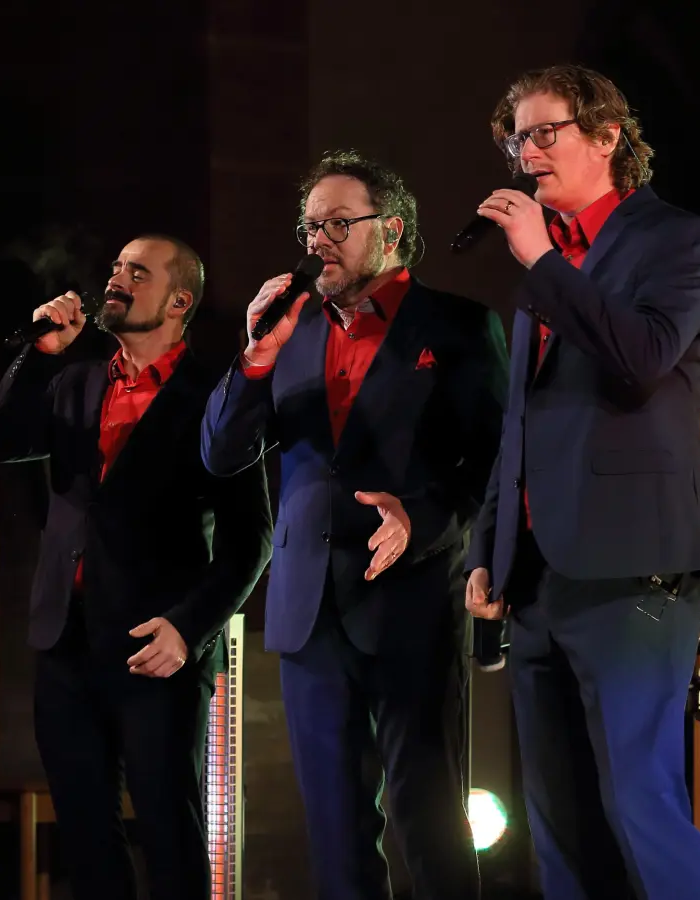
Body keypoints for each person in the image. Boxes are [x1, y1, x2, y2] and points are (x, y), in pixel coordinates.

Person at [201, 151, 506, 899]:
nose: (319, 241)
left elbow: (498, 462)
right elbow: (220, 453)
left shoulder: (460, 327)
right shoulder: (288, 333)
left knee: (427, 815)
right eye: (310, 227)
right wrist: (253, 362)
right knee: (335, 830)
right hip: (309, 611)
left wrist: (425, 516)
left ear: (391, 229)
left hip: (413, 605)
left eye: (339, 223)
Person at [464, 64, 700, 900]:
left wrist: (542, 258)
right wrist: (488, 545)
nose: (527, 152)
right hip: (538, 575)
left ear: (609, 137)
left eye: (546, 132)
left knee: (640, 800)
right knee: (558, 821)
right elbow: (524, 426)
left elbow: (643, 360)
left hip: (630, 571)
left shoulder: (674, 239)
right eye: (517, 138)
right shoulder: (547, 274)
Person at [0, 234, 271, 900]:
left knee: (167, 829)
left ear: (178, 300)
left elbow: (252, 539)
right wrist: (39, 354)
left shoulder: (214, 396)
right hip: (65, 640)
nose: (117, 280)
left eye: (138, 273)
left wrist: (188, 629)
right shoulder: (76, 380)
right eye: (115, 269)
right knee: (85, 833)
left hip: (153, 647)